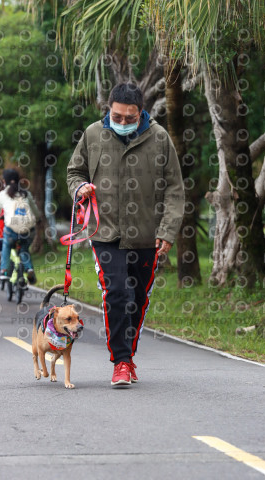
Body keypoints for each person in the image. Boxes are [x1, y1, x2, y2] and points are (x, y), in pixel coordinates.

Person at [67, 82, 185, 387]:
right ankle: (121, 361)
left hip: (148, 234)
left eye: (129, 118)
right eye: (117, 116)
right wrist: (80, 189)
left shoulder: (159, 138)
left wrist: (167, 231)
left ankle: (128, 357)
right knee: (117, 292)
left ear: (141, 112)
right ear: (109, 109)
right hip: (104, 231)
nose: (122, 122)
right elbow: (74, 172)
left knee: (137, 297)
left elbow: (175, 189)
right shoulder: (93, 134)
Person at [0, 169, 40, 285]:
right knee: (24, 249)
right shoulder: (26, 193)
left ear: (4, 181)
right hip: (28, 230)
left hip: (11, 231)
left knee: (6, 245)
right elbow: (36, 213)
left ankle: (3, 271)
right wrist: (38, 219)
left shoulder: (1, 195)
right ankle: (29, 269)